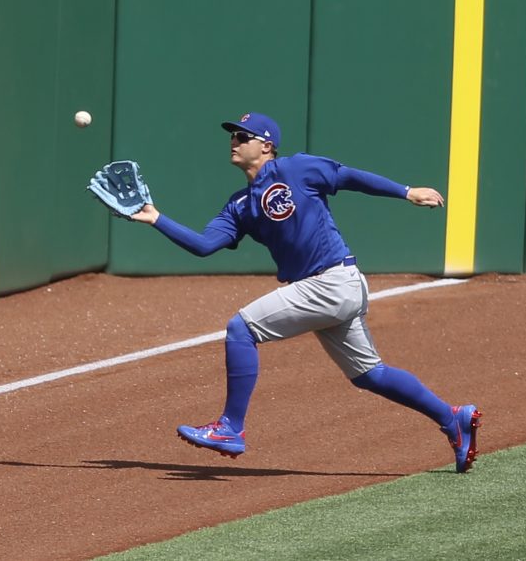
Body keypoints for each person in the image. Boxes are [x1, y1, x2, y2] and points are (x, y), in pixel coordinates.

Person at [129, 112, 482, 473]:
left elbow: (348, 177)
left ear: (266, 146)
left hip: (333, 281)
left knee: (241, 329)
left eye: (242, 136)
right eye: (233, 135)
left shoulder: (296, 168)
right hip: (329, 288)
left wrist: (406, 192)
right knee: (369, 375)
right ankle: (452, 418)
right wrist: (157, 218)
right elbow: (204, 245)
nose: (234, 141)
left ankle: (230, 427)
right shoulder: (240, 205)